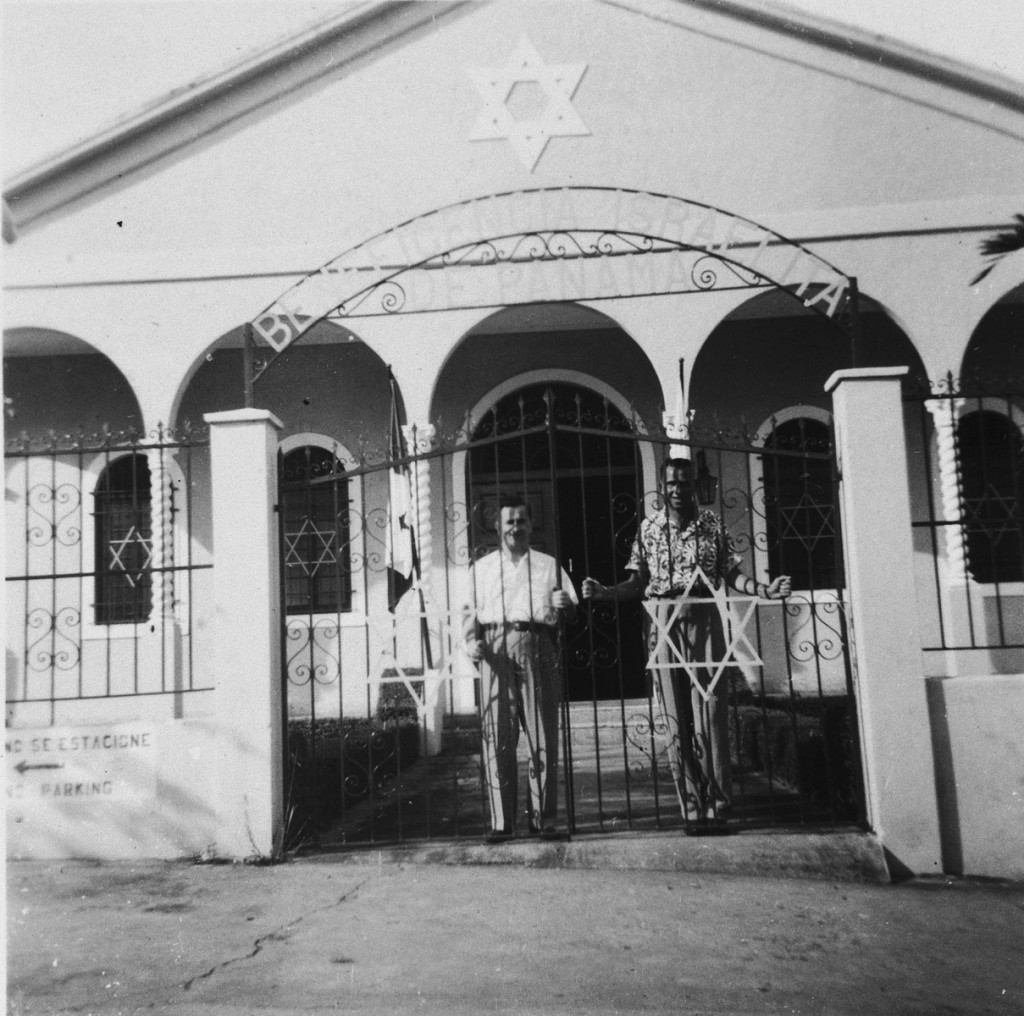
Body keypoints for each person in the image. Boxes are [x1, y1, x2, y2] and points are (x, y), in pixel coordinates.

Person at [582, 457, 790, 825]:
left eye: (685, 483)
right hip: (664, 620)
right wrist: (605, 592)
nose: (678, 490)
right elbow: (637, 584)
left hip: (705, 617)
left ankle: (720, 801)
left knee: (710, 714)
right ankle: (692, 804)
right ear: (663, 487)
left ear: (696, 485)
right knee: (676, 718)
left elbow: (732, 574)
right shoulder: (649, 529)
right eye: (672, 484)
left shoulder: (712, 525)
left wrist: (764, 590)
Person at [464, 495, 579, 843]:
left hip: (536, 645)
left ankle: (543, 819)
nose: (516, 527)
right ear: (498, 527)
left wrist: (566, 606)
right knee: (497, 738)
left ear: (531, 525)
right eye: (509, 521)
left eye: (522, 521)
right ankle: (502, 822)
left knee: (542, 734)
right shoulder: (481, 569)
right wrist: (471, 644)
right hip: (495, 649)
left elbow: (569, 613)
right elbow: (469, 616)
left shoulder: (548, 565)